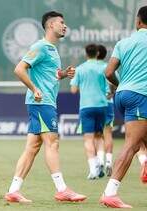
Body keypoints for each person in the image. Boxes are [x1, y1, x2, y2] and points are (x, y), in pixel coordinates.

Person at [4, 11, 86, 203]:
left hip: (44, 101)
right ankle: (62, 189)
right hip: (41, 102)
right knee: (52, 142)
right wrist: (34, 89)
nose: (65, 26)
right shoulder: (40, 46)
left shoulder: (52, 49)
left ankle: (14, 190)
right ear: (50, 25)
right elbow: (19, 69)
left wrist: (62, 74)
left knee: (32, 147)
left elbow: (49, 74)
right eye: (61, 23)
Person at [100, 6, 147, 208]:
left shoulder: (124, 42)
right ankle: (110, 193)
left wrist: (122, 86)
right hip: (141, 95)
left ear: (138, 22)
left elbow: (109, 72)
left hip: (122, 95)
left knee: (139, 141)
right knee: (131, 145)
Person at [70, 44, 108, 179]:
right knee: (99, 136)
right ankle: (101, 161)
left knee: (88, 139)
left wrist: (85, 88)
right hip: (102, 105)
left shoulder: (80, 69)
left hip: (86, 106)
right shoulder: (104, 67)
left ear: (86, 54)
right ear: (97, 53)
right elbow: (113, 83)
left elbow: (73, 90)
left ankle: (93, 169)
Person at [96, 44, 114, 177]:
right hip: (108, 103)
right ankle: (109, 161)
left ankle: (100, 161)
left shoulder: (88, 67)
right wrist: (111, 93)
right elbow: (114, 82)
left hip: (95, 103)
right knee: (108, 134)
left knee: (97, 135)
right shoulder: (108, 67)